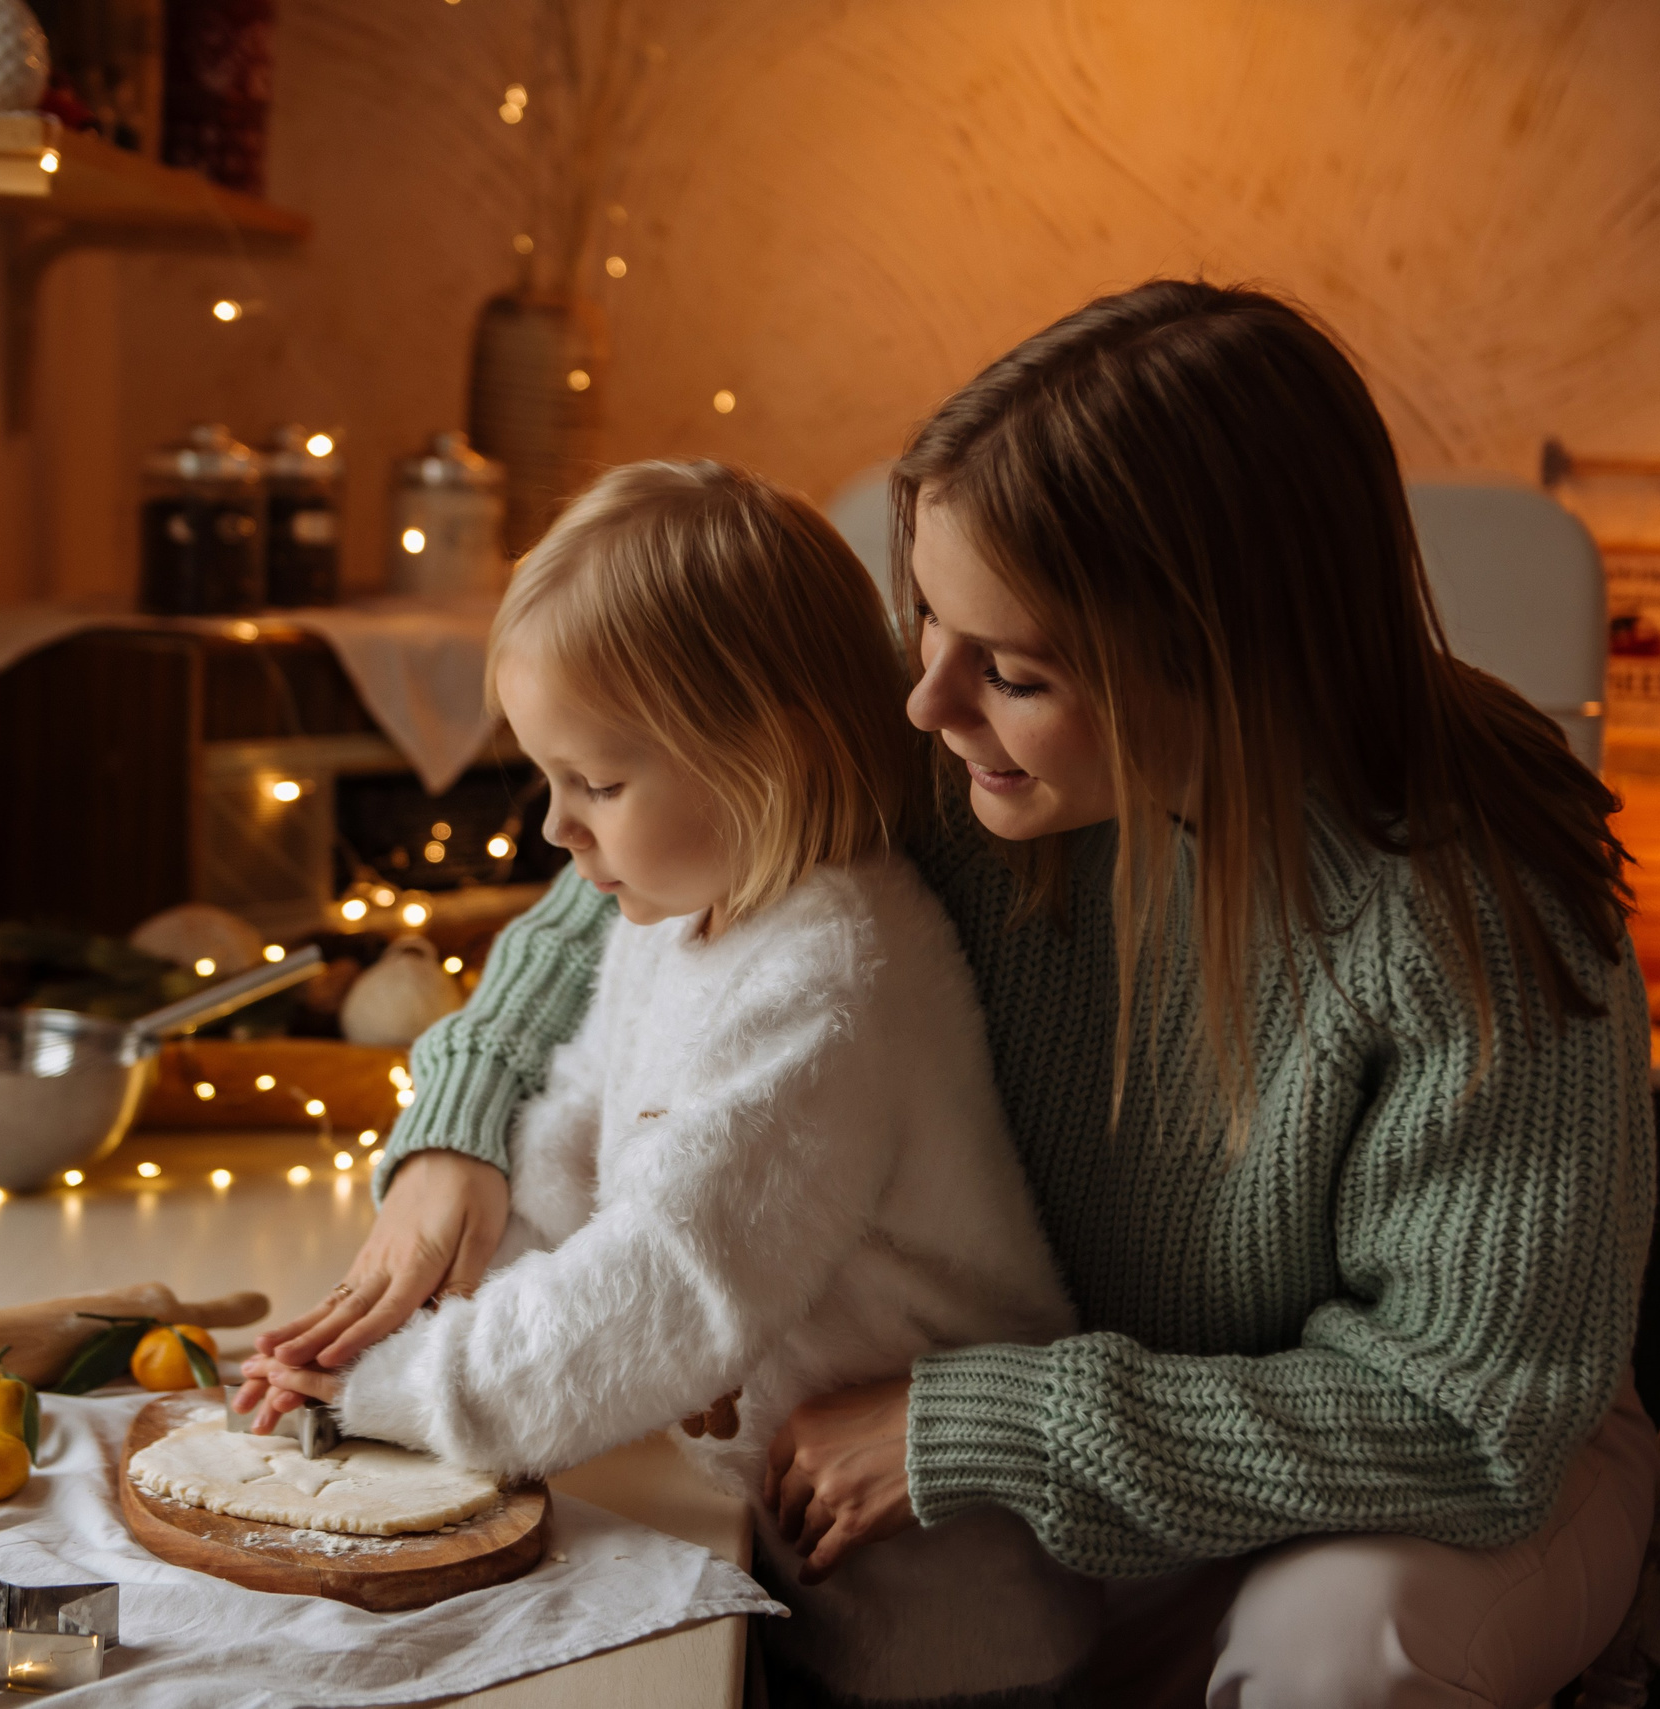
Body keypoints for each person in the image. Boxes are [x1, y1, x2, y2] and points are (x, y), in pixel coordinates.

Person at [257, 281, 1660, 1709]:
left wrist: (979, 1421)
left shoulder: (1474, 907)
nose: (923, 703)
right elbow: (664, 852)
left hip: (1422, 1484)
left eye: (1011, 668)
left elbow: (1471, 1416)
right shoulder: (963, 739)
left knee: (1350, 1646)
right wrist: (464, 1121)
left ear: (1216, 667)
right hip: (1084, 1496)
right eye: (924, 618)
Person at [238, 460, 1099, 1706]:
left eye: (594, 784)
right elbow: (571, 1136)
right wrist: (429, 1305)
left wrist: (390, 1393)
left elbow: (667, 1281)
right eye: (548, 780)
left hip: (946, 1635)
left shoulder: (832, 971)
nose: (555, 831)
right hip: (787, 1557)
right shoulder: (679, 914)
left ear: (761, 758)